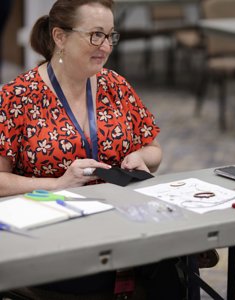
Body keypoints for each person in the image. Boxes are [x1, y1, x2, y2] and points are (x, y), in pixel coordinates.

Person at [0, 0, 186, 299]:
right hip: (53, 228)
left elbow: (153, 148)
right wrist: (58, 184)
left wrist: (140, 157)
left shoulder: (115, 85)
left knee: (175, 269)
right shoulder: (17, 96)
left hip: (121, 222)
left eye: (110, 35)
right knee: (96, 280)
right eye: (95, 35)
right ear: (60, 37)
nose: (106, 46)